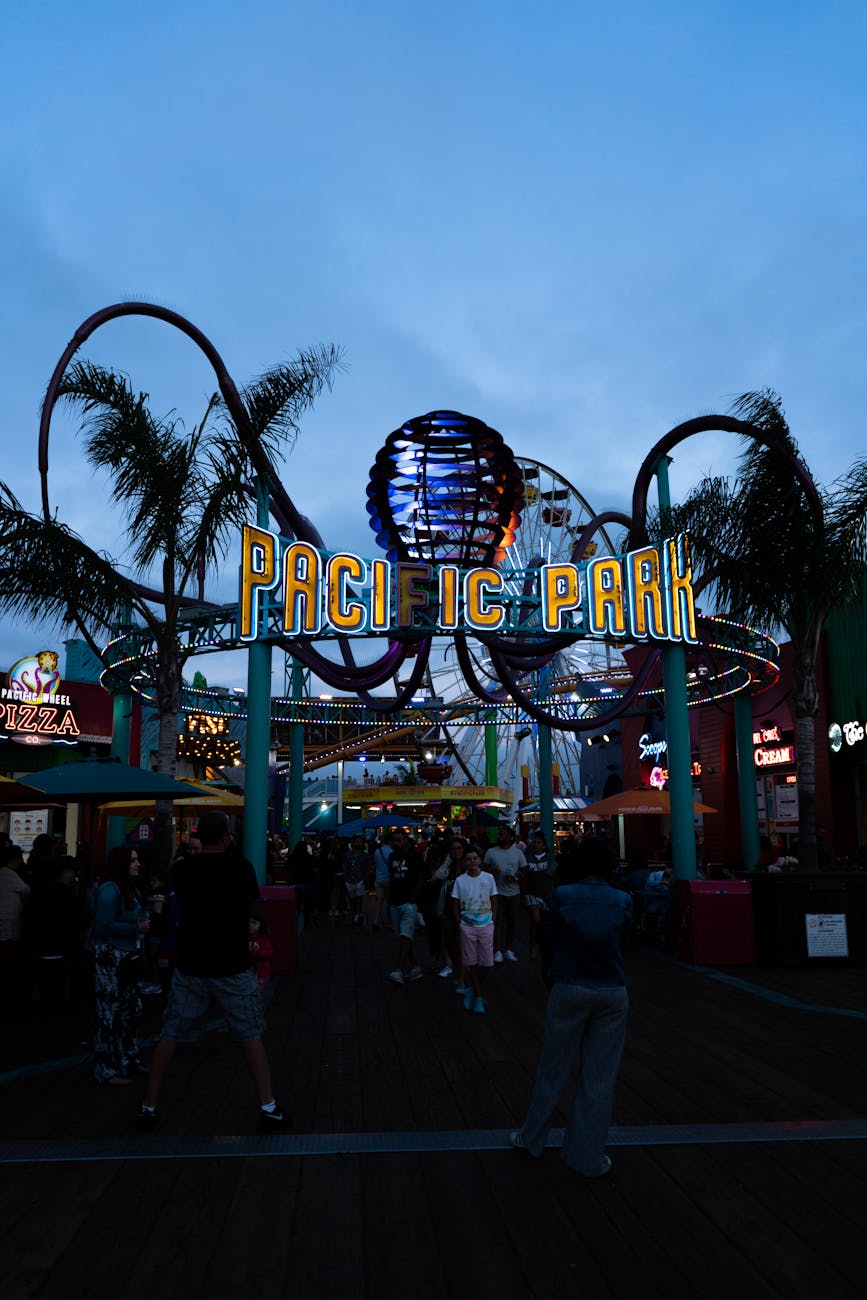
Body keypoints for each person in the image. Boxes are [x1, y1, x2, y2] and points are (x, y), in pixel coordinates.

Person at [139, 810, 289, 1131]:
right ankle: (268, 1106)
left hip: (191, 962)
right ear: (226, 836)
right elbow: (251, 905)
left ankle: (149, 1105)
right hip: (231, 962)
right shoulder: (240, 869)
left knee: (170, 1034)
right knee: (249, 1034)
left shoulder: (184, 869)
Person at [510, 836, 632, 1177]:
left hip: (569, 985)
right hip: (611, 989)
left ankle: (532, 1137)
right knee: (599, 1076)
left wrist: (551, 975)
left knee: (553, 1066)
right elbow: (626, 943)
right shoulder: (622, 900)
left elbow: (547, 939)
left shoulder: (563, 896)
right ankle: (586, 1156)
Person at [92, 846, 150, 1085]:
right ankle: (107, 1068)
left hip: (125, 955)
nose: (137, 864)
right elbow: (102, 925)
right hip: (111, 956)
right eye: (133, 861)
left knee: (129, 1008)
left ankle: (127, 1058)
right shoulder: (110, 890)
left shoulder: (127, 889)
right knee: (110, 1012)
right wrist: (135, 927)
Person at [451, 847, 498, 1014]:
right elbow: (455, 904)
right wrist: (460, 923)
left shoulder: (489, 878)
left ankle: (472, 988)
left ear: (480, 860)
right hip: (467, 925)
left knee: (487, 963)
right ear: (465, 862)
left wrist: (493, 919)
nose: (472, 861)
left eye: (475, 858)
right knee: (472, 962)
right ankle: (478, 996)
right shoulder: (460, 880)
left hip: (486, 924)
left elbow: (494, 899)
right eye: (469, 859)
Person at [483, 825, 526, 963]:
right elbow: (483, 871)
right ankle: (497, 950)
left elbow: (525, 870)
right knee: (497, 921)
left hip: (514, 892)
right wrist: (491, 873)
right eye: (498, 834)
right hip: (496, 893)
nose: (499, 837)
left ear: (509, 836)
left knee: (512, 922)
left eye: (502, 834)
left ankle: (508, 949)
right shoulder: (491, 852)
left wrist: (516, 878)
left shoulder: (518, 853)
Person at [386, 830, 424, 985]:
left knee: (405, 935)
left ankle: (399, 969)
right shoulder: (392, 856)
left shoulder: (415, 857)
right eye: (394, 840)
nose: (396, 843)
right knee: (404, 937)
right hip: (395, 901)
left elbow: (421, 878)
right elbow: (391, 879)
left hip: (408, 902)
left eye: (399, 840)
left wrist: (413, 898)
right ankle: (415, 966)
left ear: (406, 840)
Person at [524, 831, 556, 960]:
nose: (536, 845)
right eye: (535, 842)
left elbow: (553, 870)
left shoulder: (549, 857)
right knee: (536, 920)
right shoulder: (528, 857)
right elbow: (523, 871)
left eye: (539, 843)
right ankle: (533, 947)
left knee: (542, 922)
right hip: (532, 892)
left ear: (544, 845)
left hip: (547, 893)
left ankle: (540, 944)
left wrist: (551, 872)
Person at [344, 833, 371, 928]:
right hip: (350, 879)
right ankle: (357, 913)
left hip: (360, 879)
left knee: (359, 898)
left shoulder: (365, 855)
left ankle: (356, 915)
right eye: (357, 842)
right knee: (352, 899)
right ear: (353, 843)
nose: (359, 843)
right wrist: (346, 879)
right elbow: (345, 867)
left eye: (360, 842)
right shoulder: (348, 855)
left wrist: (366, 878)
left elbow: (368, 867)